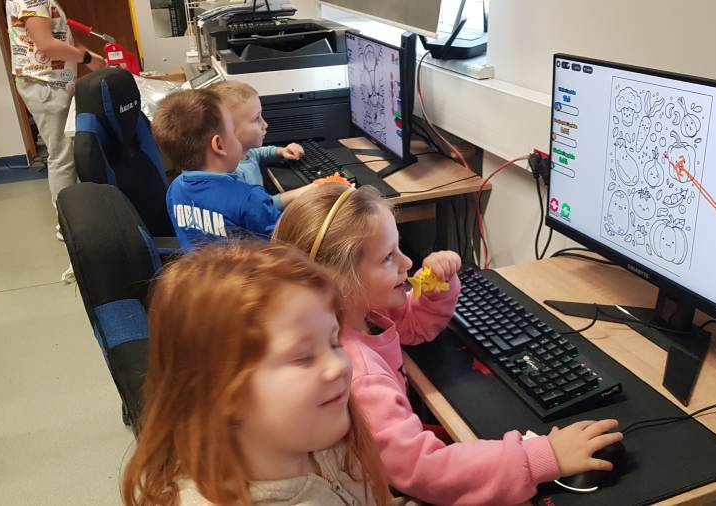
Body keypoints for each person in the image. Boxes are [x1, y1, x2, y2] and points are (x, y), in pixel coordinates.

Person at [273, 184, 623, 505]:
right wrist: (545, 457)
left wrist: (437, 289)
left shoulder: (359, 314)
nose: (407, 263)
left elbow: (414, 327)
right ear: (340, 283)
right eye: (388, 257)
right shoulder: (360, 375)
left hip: (391, 453)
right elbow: (424, 469)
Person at [120, 241, 396, 506]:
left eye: (334, 343)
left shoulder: (323, 440)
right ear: (223, 394)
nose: (339, 366)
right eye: (303, 357)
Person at [6, 0, 106, 239]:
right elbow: (47, 45)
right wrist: (86, 58)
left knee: (67, 150)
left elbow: (62, 37)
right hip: (46, 83)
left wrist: (89, 57)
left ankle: (77, 212)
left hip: (54, 81)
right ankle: (68, 223)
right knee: (62, 155)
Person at [152, 88, 273, 248]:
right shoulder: (250, 198)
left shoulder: (174, 190)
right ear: (219, 145)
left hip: (200, 265)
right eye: (233, 132)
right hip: (249, 265)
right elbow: (285, 240)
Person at [211, 80, 314, 211]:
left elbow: (258, 153)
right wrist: (305, 191)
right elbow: (258, 207)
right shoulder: (232, 174)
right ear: (229, 131)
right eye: (256, 119)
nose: (265, 124)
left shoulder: (245, 153)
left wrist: (281, 151)